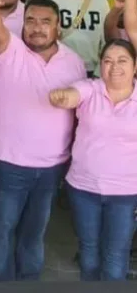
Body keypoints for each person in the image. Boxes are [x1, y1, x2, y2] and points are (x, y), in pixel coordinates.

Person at [0, 0, 86, 282]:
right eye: (31, 21)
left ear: (58, 27)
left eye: (45, 22)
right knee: (1, 230)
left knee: (34, 232)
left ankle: (28, 281)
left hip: (52, 167)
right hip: (9, 163)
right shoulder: (10, 51)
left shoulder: (74, 62)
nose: (37, 27)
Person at [48, 37, 137, 281]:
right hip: (84, 187)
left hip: (126, 194)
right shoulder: (91, 88)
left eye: (122, 60)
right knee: (89, 251)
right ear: (100, 65)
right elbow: (73, 95)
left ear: (135, 66)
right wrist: (62, 96)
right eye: (107, 61)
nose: (114, 66)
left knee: (115, 256)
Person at [45, 0, 110, 75]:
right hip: (59, 67)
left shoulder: (101, 2)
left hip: (90, 69)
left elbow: (104, 40)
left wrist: (100, 71)